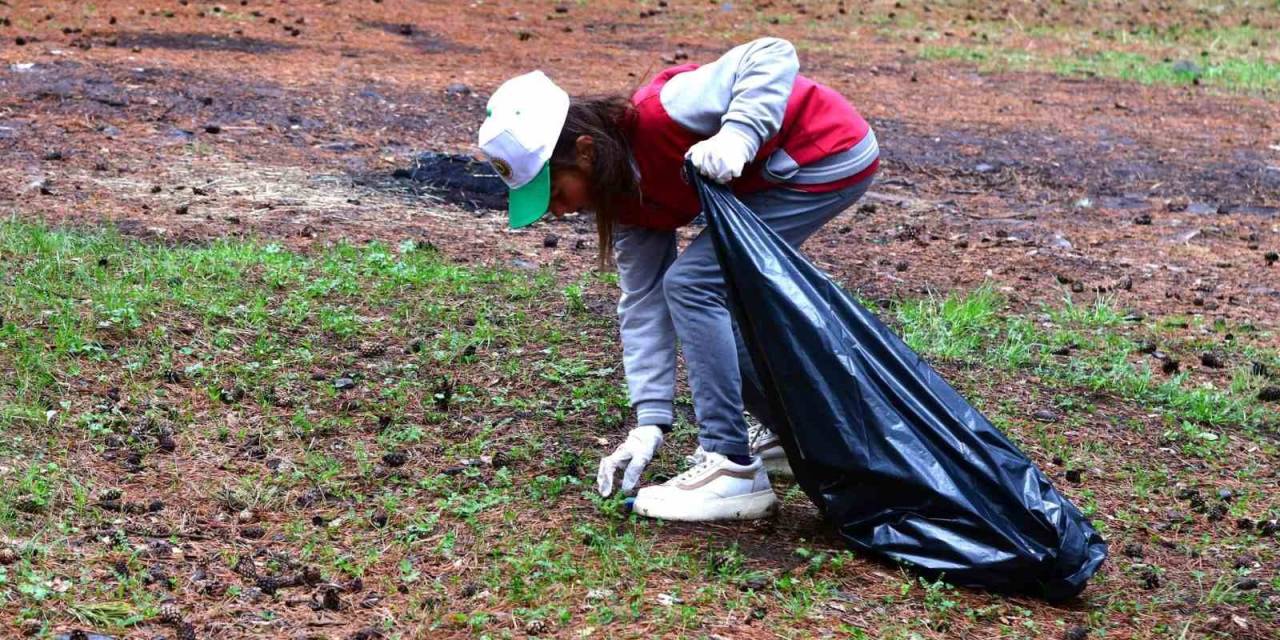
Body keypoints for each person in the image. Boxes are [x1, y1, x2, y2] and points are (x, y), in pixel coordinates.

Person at [477, 37, 878, 521]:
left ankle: (729, 466)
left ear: (585, 151)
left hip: (827, 153)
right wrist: (650, 421)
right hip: (780, 176)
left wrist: (740, 135)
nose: (557, 212)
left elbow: (770, 53)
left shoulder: (664, 111)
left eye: (555, 192)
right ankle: (778, 431)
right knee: (706, 296)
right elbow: (644, 302)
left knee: (694, 284)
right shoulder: (625, 205)